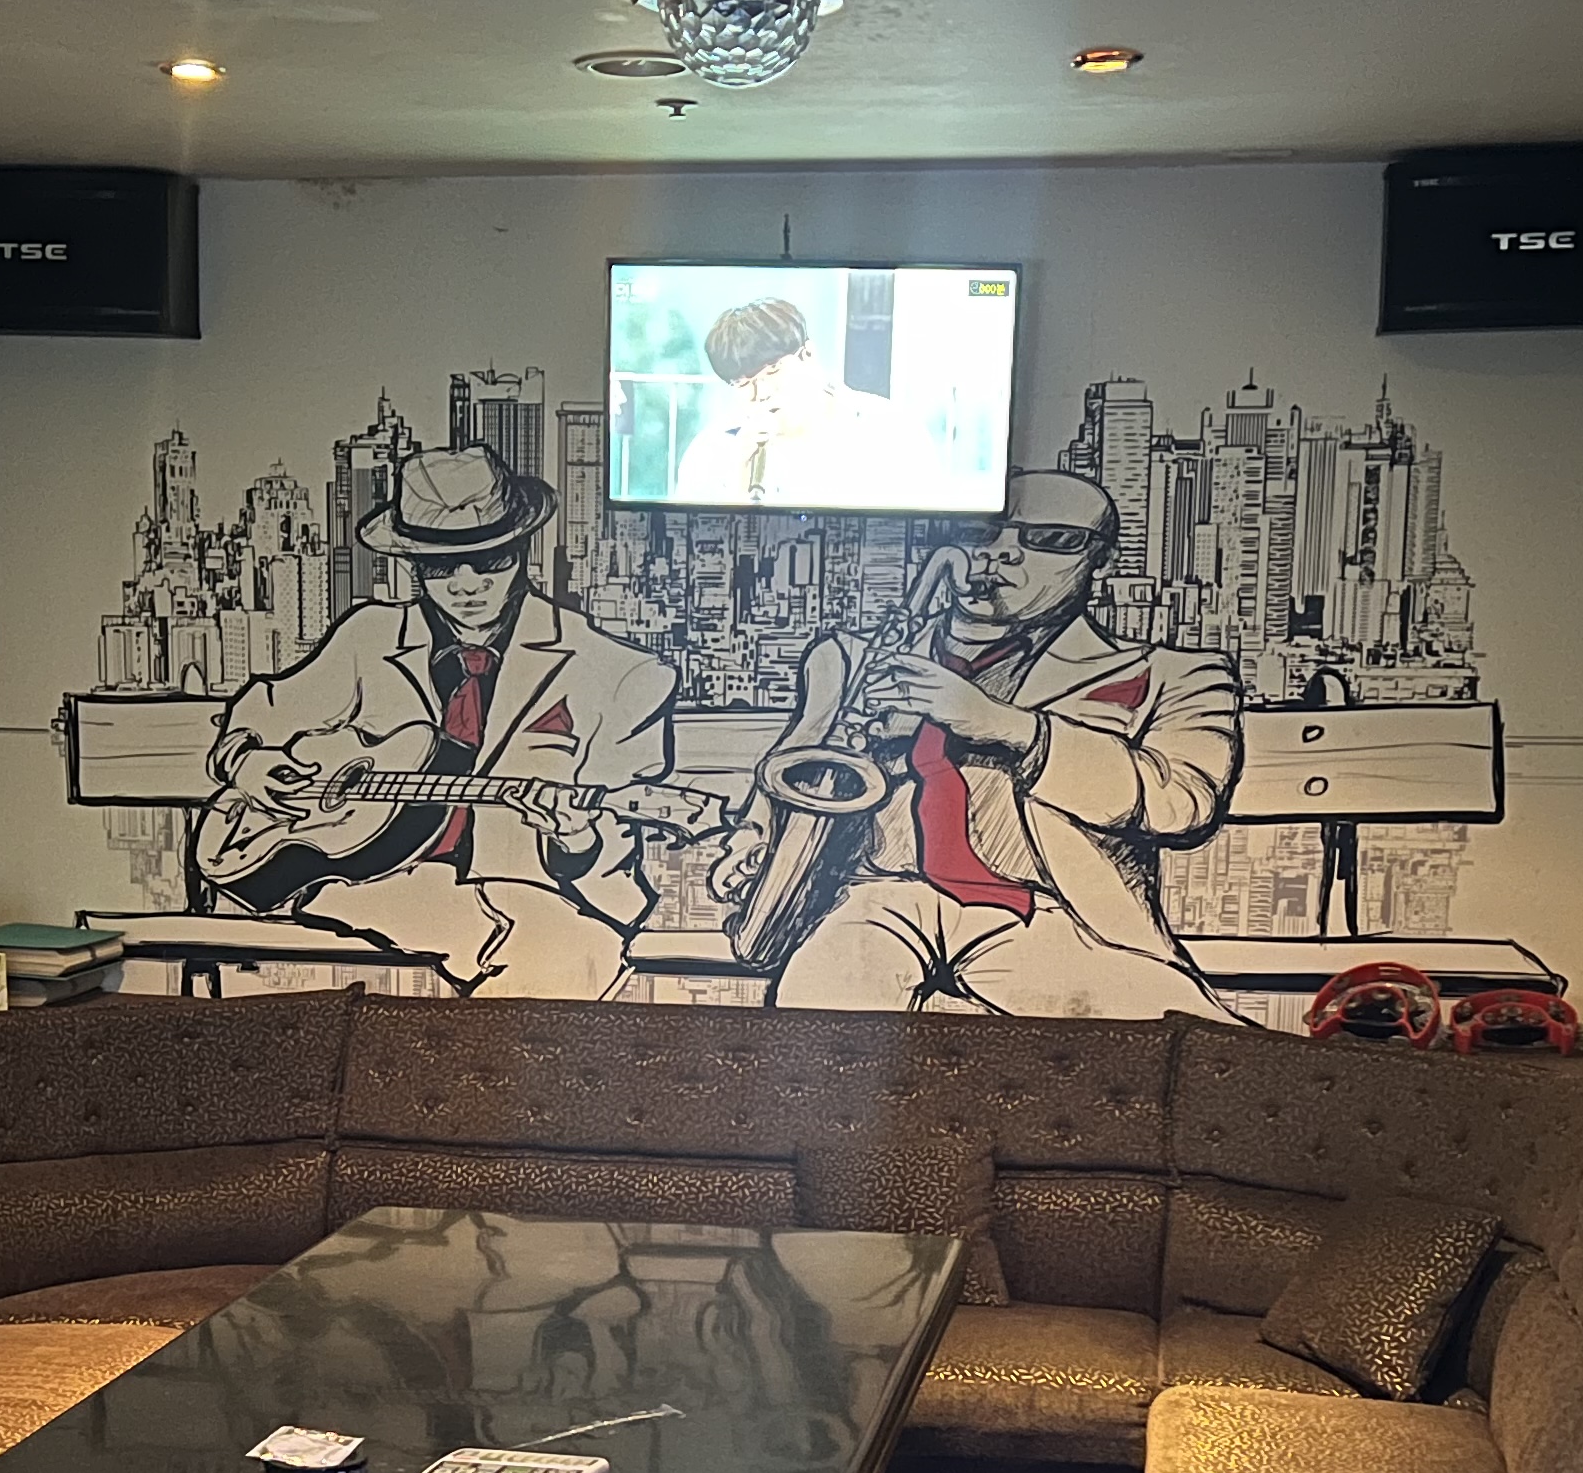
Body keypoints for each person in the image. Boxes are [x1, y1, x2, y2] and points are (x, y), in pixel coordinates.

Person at [713, 469, 1241, 1018]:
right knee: (818, 1024)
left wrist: (1006, 725)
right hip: (878, 896)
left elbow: (1180, 804)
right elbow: (795, 766)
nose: (1001, 553)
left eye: (1049, 538)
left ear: (1102, 559)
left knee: (1188, 1041)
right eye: (978, 532)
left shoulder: (1178, 675)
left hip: (1054, 915)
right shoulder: (849, 659)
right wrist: (755, 836)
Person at [204, 446, 707, 997]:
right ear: (414, 565)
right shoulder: (368, 637)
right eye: (441, 567)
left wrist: (575, 833)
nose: (467, 584)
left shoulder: (623, 674)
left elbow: (610, 865)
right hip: (364, 885)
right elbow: (266, 710)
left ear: (521, 548)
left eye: (489, 560)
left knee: (576, 952)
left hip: (532, 897)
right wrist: (248, 763)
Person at [667, 295, 930, 510]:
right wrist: (739, 476)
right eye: (743, 383)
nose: (762, 391)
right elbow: (693, 543)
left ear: (809, 354)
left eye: (773, 370)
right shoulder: (711, 451)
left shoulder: (890, 427)